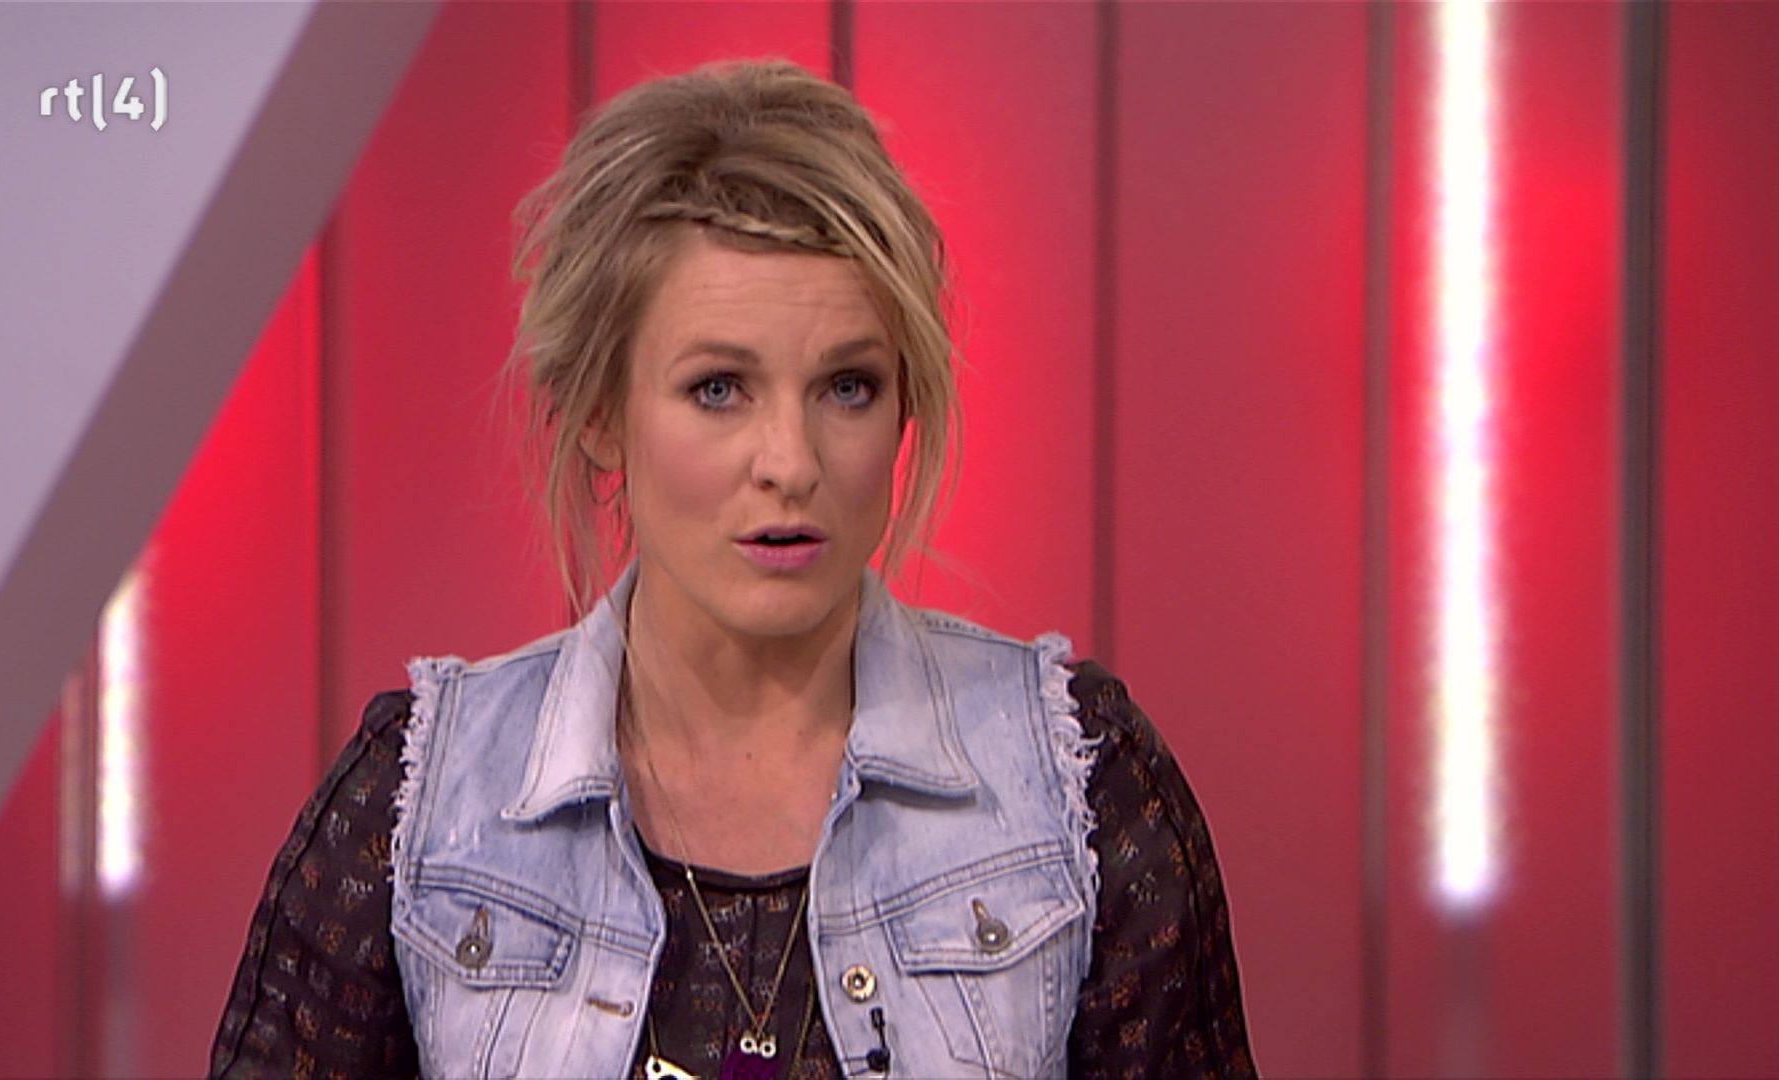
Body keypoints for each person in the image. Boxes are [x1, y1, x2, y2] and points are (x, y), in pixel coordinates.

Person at [211, 59, 1255, 1079]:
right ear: (602, 414)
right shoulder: (421, 806)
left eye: (847, 386)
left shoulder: (1081, 783)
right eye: (719, 388)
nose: (791, 464)